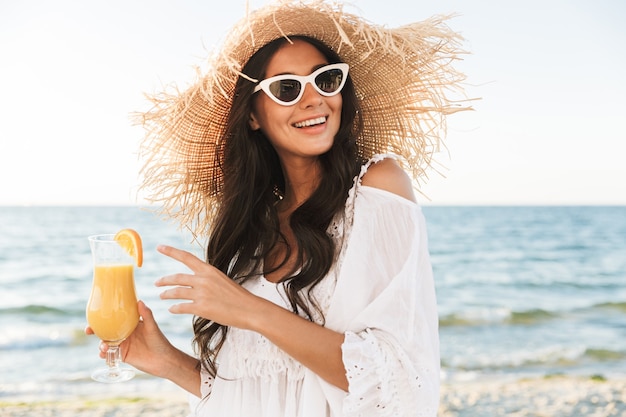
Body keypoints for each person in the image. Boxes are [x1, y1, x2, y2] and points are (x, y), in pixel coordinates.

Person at [87, 1, 470, 416]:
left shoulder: (377, 188)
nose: (313, 100)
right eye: (287, 88)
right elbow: (258, 390)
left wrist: (249, 310)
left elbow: (398, 380)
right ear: (253, 115)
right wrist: (165, 360)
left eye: (326, 80)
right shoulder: (252, 233)